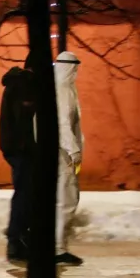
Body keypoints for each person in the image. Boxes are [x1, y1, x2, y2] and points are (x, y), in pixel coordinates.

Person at [0, 54, 37, 265]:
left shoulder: (19, 83)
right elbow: (23, 118)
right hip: (21, 149)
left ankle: (21, 239)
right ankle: (16, 241)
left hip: (17, 148)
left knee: (26, 193)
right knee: (24, 193)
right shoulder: (23, 85)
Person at [55, 51, 85, 266]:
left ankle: (56, 245)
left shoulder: (60, 88)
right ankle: (58, 248)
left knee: (61, 199)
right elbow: (64, 125)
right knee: (67, 200)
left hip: (60, 153)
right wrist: (74, 151)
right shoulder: (64, 90)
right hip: (64, 155)